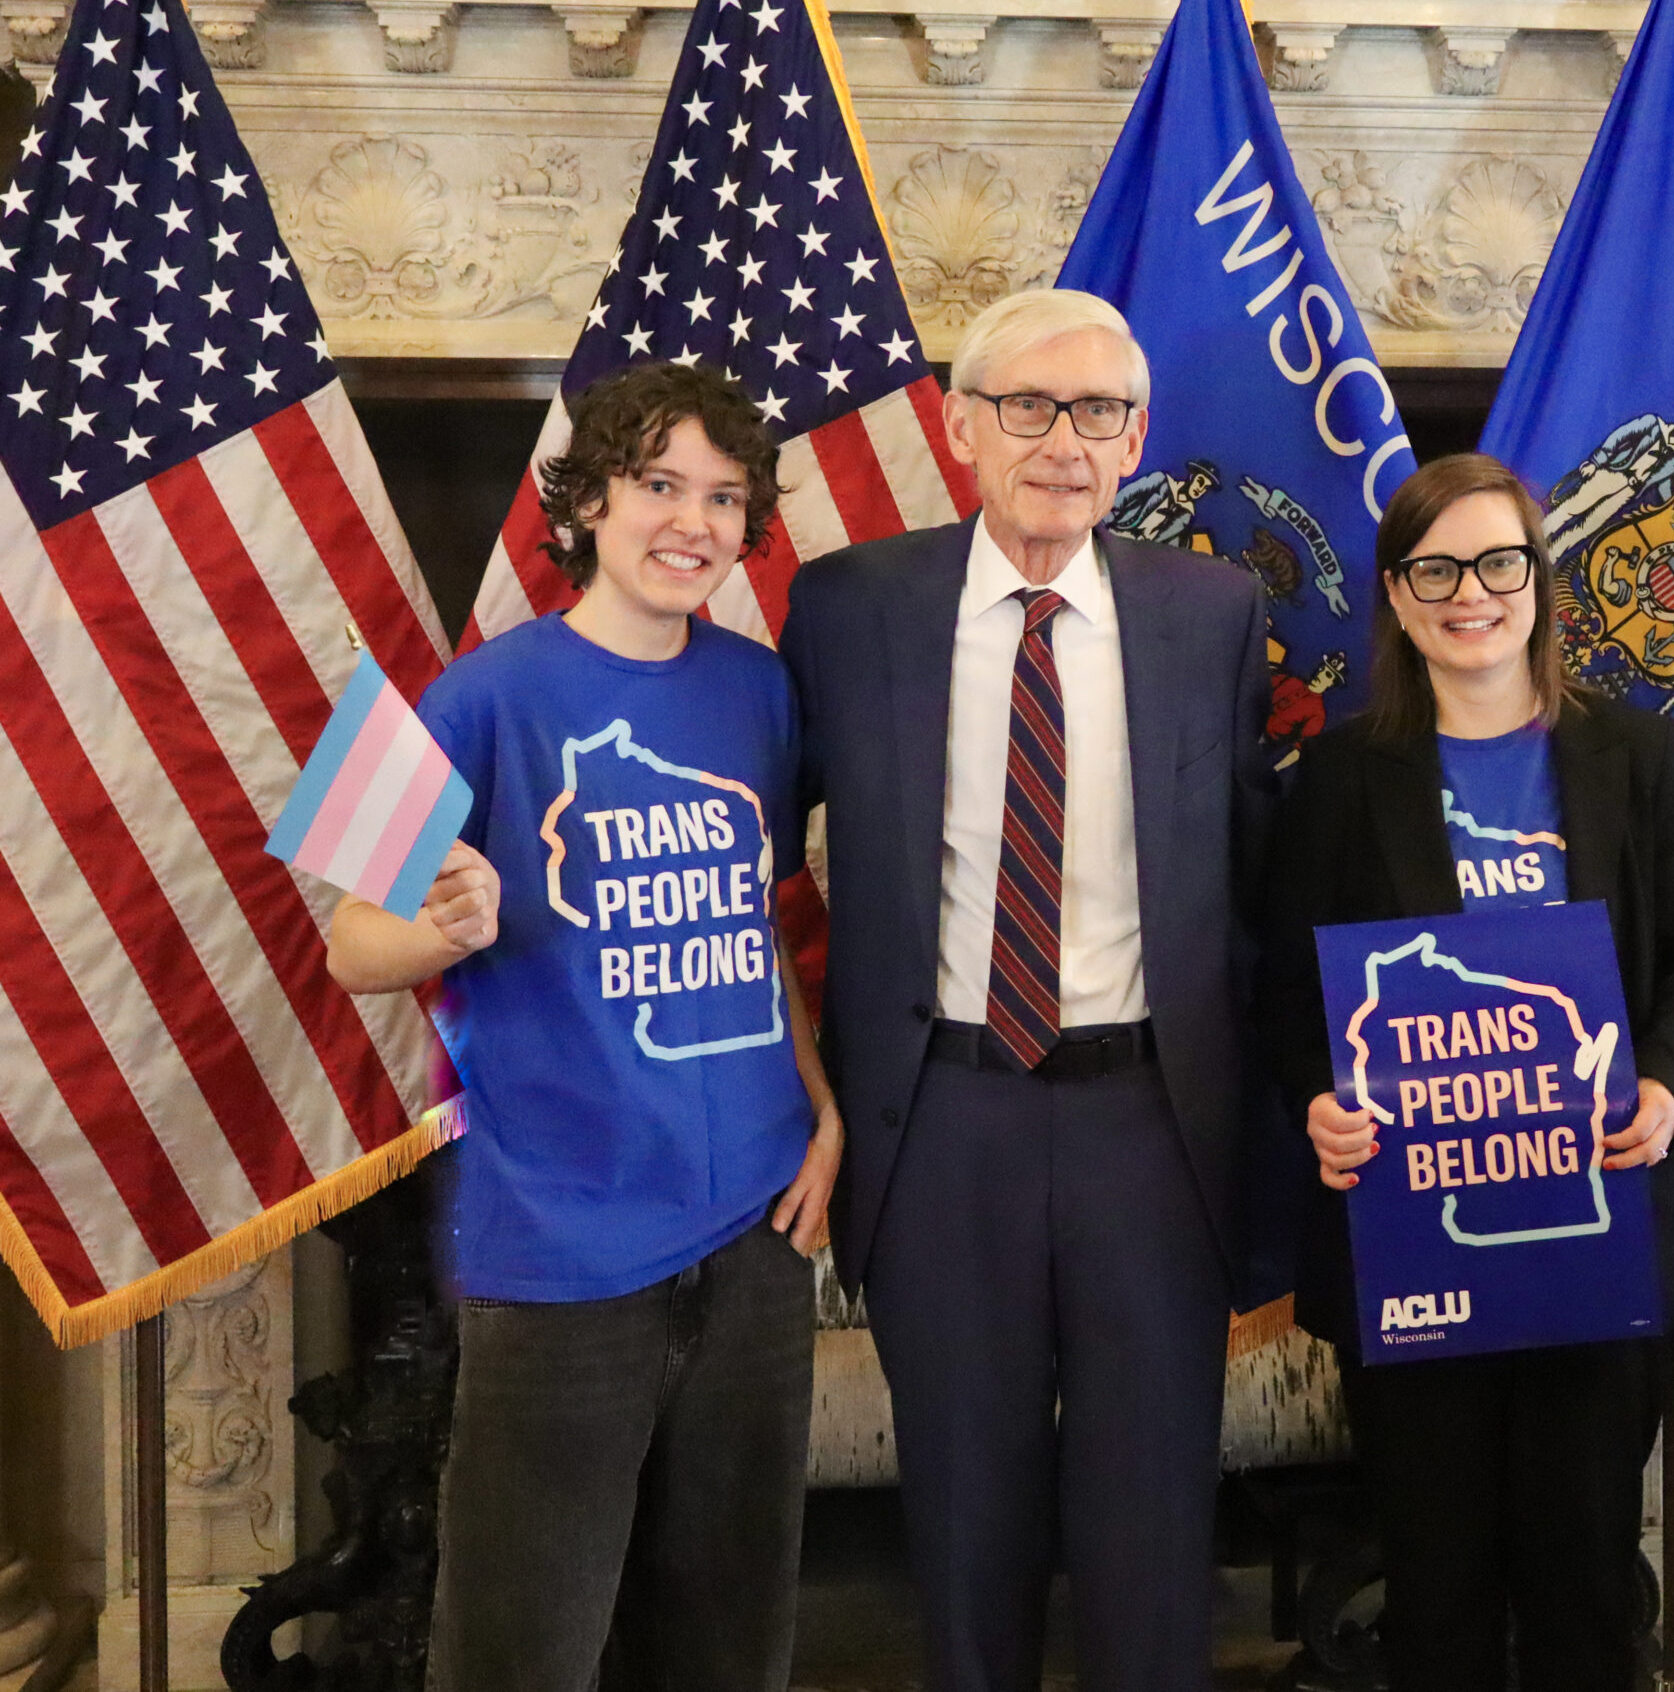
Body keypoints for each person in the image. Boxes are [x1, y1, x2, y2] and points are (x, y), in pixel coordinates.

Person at [778, 288, 1274, 1692]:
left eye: (1101, 411)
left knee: (1152, 1519)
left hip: (1151, 1125)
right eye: (1030, 407)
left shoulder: (1211, 613)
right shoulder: (851, 604)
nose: (1065, 441)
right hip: (941, 1119)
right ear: (960, 427)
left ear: (1136, 441)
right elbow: (743, 832)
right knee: (964, 1518)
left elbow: (1250, 878)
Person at [327, 362, 841, 1692]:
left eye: (725, 495)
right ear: (589, 502)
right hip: (559, 1245)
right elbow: (344, 942)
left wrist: (822, 1105)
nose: (694, 520)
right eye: (660, 483)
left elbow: (759, 921)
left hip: (756, 1237)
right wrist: (443, 929)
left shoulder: (763, 690)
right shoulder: (478, 692)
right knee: (523, 1648)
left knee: (729, 1649)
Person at [1260, 452, 1674, 1692]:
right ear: (1397, 593)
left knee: (1586, 1580)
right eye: (1435, 567)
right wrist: (1319, 1096)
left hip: (1595, 1220)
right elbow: (1286, 988)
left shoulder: (1631, 754)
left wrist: (1669, 1085)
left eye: (1496, 561)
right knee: (1438, 1579)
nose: (1468, 591)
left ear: (1538, 579)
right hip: (1418, 1237)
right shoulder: (1344, 774)